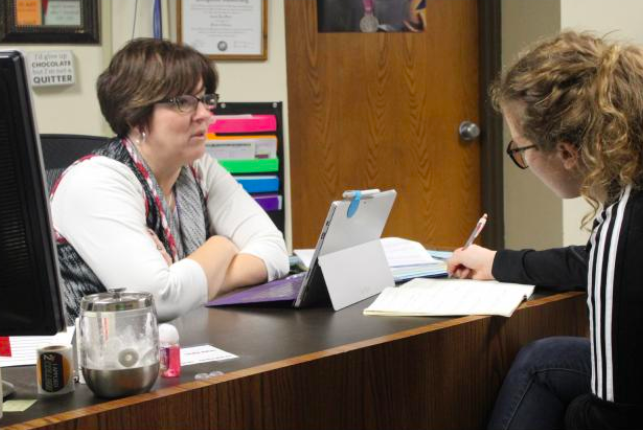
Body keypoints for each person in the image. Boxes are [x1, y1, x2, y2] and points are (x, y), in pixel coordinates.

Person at [446, 31, 643, 429]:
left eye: (520, 149)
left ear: (567, 152)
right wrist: (499, 263)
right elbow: (598, 265)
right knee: (543, 360)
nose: (523, 159)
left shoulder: (626, 222)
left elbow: (616, 414)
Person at [50, 38, 289, 323]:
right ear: (136, 114)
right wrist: (222, 245)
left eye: (205, 99)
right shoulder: (94, 181)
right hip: (89, 358)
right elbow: (158, 300)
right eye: (183, 102)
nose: (205, 115)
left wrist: (189, 284)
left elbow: (275, 251)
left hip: (178, 345)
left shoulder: (198, 167)